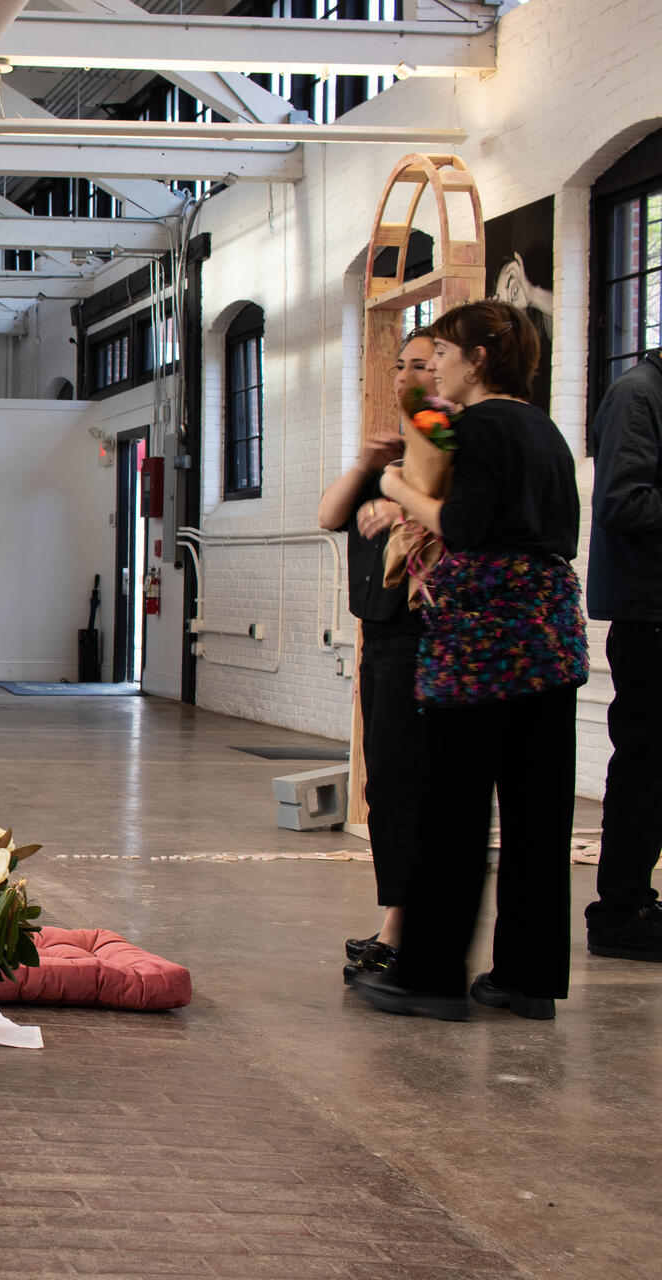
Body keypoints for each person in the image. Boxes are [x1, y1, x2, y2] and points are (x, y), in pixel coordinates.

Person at [358, 300, 587, 1022]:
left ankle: (427, 974)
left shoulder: (480, 426)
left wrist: (395, 488)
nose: (437, 368)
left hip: (486, 635)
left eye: (446, 355)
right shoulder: (544, 429)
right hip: (549, 632)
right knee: (536, 812)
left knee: (449, 805)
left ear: (479, 359)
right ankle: (528, 976)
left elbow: (464, 524)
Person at [315, 327, 435, 980]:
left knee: (406, 787)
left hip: (423, 638)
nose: (407, 376)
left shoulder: (442, 451)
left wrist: (401, 506)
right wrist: (367, 467)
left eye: (422, 364)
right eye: (401, 365)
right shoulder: (391, 453)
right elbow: (329, 513)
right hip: (381, 638)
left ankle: (404, 928)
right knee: (383, 785)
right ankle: (397, 921)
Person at [583, 344, 662, 962]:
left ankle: (634, 902)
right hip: (651, 618)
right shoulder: (640, 394)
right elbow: (621, 501)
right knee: (645, 769)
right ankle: (620, 913)